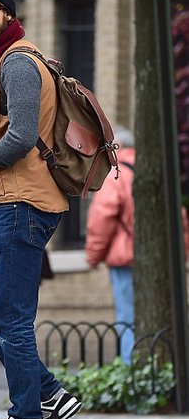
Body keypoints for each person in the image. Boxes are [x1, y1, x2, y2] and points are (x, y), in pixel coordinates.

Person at [0, 0, 81, 419]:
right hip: (6, 205)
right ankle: (49, 393)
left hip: (21, 204)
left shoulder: (17, 64)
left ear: (7, 14)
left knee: (11, 318)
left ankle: (27, 416)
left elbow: (22, 135)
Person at [85, 125, 135, 364]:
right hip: (156, 261)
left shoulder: (117, 174)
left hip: (125, 259)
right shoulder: (154, 169)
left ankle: (132, 371)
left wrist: (93, 256)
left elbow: (101, 218)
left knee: (128, 317)